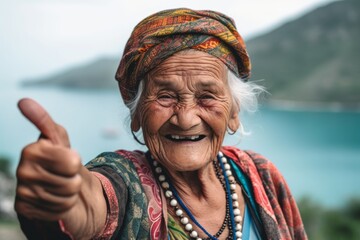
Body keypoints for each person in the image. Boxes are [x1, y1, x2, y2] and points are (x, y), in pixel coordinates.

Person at [15, 8, 307, 240]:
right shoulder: (125, 182)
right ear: (137, 113)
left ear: (233, 112)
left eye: (206, 96)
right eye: (165, 96)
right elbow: (91, 204)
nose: (186, 118)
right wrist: (65, 203)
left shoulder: (260, 176)